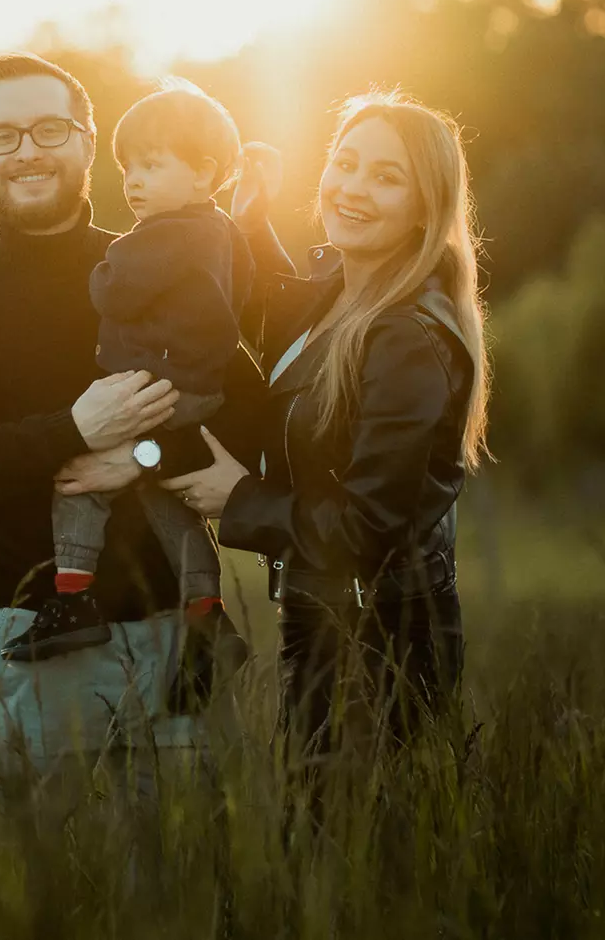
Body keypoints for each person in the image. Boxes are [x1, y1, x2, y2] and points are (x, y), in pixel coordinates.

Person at [0, 52, 265, 783]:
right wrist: (72, 431)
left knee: (195, 893)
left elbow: (248, 424)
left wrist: (142, 460)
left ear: (90, 141)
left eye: (50, 128)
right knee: (35, 898)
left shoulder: (165, 263)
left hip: (173, 651)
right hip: (32, 651)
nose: (27, 149)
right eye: (2, 136)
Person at [157, 90, 488, 779]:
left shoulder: (407, 336)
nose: (353, 188)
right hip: (326, 614)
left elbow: (370, 528)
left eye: (386, 177)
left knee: (350, 855)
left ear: (425, 207)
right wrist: (247, 228)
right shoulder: (343, 288)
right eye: (346, 163)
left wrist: (240, 498)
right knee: (316, 846)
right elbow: (292, 342)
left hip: (384, 637)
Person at [1, 79, 253, 699]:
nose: (133, 181)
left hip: (158, 387)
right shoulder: (222, 232)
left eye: (151, 165)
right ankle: (206, 616)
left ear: (203, 174)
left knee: (81, 481)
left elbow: (111, 289)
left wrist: (106, 268)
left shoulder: (161, 236)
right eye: (127, 167)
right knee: (173, 501)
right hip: (193, 390)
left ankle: (72, 598)